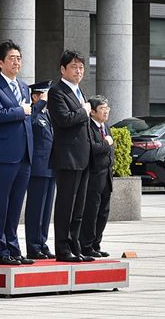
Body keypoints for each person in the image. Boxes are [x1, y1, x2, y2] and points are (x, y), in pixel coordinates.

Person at [0, 40, 34, 265]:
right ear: (0, 63)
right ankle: (1, 251)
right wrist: (21, 110)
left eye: (19, 58)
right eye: (12, 58)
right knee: (1, 204)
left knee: (16, 205)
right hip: (4, 154)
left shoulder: (24, 87)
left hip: (25, 154)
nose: (16, 62)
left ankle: (14, 249)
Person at [47, 50, 94, 263]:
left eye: (81, 67)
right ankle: (63, 248)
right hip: (67, 157)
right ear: (63, 69)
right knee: (66, 204)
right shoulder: (57, 92)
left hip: (83, 157)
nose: (78, 71)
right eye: (74, 67)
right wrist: (84, 111)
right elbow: (64, 119)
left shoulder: (79, 92)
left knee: (79, 206)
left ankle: (76, 245)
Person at [24, 80, 56, 260]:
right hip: (37, 168)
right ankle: (33, 245)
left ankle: (42, 242)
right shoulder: (33, 112)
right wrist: (40, 103)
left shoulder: (47, 115)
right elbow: (31, 123)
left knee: (46, 209)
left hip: (51, 167)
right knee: (35, 208)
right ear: (35, 96)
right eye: (44, 95)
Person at [80, 96, 114, 258]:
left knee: (103, 213)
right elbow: (92, 149)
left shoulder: (105, 127)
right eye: (102, 108)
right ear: (92, 112)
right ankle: (86, 245)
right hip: (93, 177)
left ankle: (96, 243)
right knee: (91, 213)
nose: (106, 111)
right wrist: (106, 143)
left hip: (106, 177)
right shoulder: (88, 127)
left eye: (107, 108)